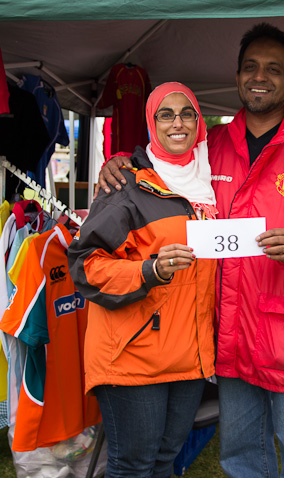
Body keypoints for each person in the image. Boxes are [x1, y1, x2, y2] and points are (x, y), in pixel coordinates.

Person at [97, 23, 284, 478]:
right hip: (230, 337)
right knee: (241, 461)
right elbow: (162, 167)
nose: (260, 77)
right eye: (250, 67)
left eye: (273, 69)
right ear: (238, 76)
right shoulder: (210, 147)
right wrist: (121, 162)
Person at [68, 82, 218, 478]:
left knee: (165, 460)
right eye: (165, 115)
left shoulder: (211, 182)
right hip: (133, 353)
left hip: (189, 354)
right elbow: (85, 265)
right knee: (134, 465)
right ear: (151, 124)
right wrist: (149, 271)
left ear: (199, 122)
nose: (177, 123)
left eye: (186, 114)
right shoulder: (126, 186)